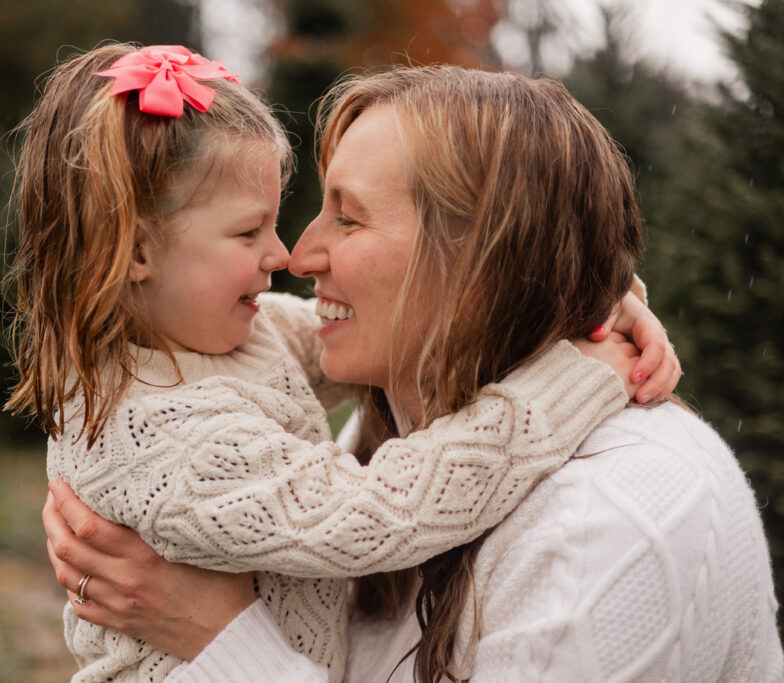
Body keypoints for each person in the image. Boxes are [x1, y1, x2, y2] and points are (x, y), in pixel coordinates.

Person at [43, 65, 782, 682]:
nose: (294, 258)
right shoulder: (369, 422)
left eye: (348, 217)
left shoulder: (612, 525)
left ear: (482, 266)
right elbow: (372, 510)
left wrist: (222, 639)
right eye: (250, 230)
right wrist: (575, 349)